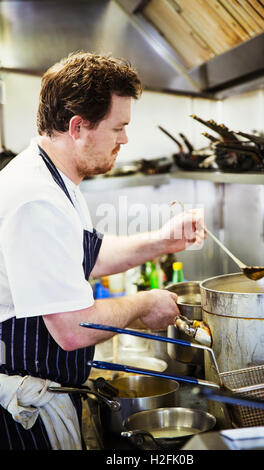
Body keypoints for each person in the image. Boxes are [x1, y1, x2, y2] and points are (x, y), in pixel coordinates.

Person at [0, 52, 205, 450]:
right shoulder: (35, 198)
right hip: (23, 417)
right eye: (118, 127)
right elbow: (74, 328)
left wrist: (166, 240)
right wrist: (144, 304)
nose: (125, 139)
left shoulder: (55, 179)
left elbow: (89, 256)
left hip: (46, 393)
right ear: (78, 127)